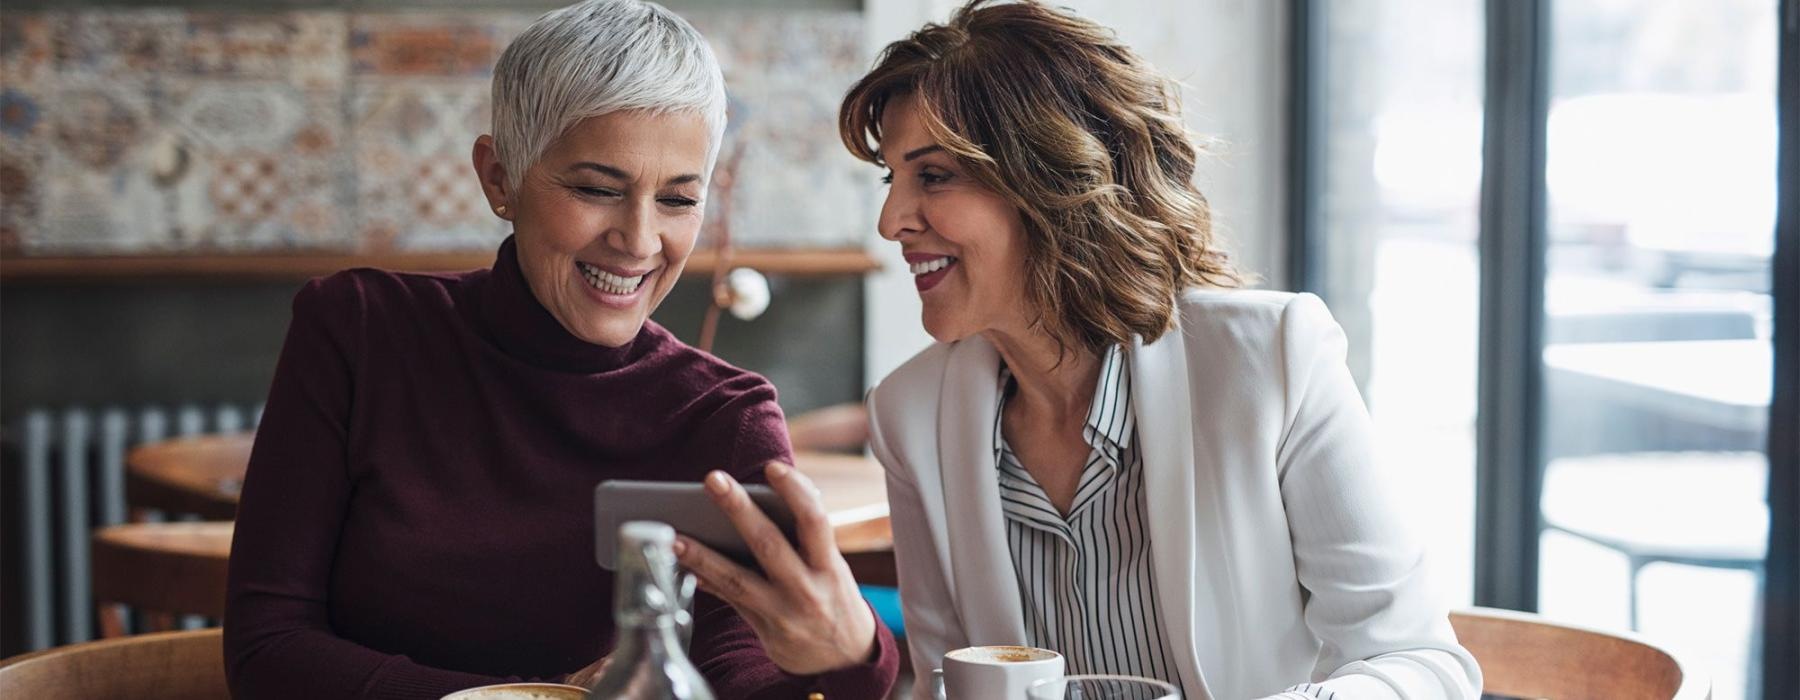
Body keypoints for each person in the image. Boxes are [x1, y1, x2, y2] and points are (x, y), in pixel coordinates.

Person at [223, 2, 898, 697]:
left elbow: (740, 674)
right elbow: (267, 649)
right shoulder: (359, 330)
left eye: (676, 200)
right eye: (596, 189)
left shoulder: (723, 416)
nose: (638, 241)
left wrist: (851, 658)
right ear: (499, 177)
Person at [838, 2, 1482, 698]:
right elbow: (948, 682)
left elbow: (1421, 665)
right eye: (892, 180)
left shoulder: (1271, 361)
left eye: (933, 176)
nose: (890, 220)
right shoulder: (908, 415)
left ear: (1051, 181)